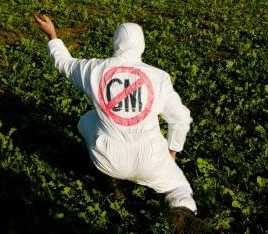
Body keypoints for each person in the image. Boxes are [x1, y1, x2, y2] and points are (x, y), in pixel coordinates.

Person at [34, 16, 210, 233]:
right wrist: (172, 152)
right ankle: (182, 211)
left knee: (87, 120)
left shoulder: (94, 69)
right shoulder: (158, 77)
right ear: (143, 44)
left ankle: (110, 181)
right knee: (179, 187)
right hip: (152, 159)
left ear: (115, 42)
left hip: (109, 156)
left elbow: (64, 63)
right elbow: (181, 118)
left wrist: (52, 35)